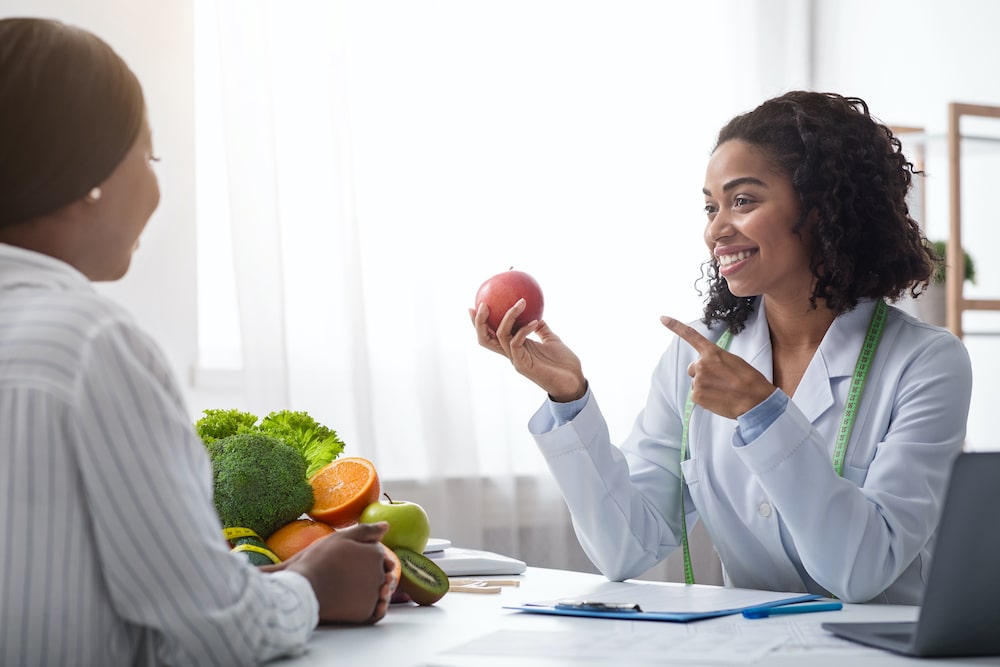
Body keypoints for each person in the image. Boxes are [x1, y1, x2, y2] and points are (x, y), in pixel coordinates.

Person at [471, 91, 973, 605]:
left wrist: (764, 415)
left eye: (743, 200)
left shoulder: (925, 362)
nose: (716, 229)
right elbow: (627, 546)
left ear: (822, 208)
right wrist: (568, 398)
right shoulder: (697, 354)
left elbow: (864, 569)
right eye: (711, 207)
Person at [0, 17, 394, 666]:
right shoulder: (94, 347)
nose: (157, 189)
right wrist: (311, 587)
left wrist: (240, 585)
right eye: (149, 157)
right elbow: (221, 633)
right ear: (86, 176)